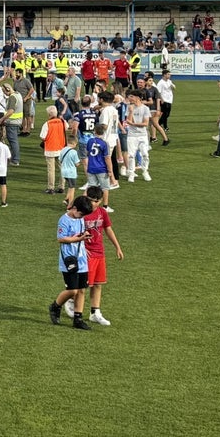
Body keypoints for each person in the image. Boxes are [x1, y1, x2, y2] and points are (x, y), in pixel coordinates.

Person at [77, 185, 124, 327]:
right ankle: (72, 302)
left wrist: (117, 247)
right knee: (85, 285)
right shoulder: (82, 214)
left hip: (99, 252)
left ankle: (95, 312)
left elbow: (108, 229)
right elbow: (74, 233)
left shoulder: (102, 212)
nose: (94, 204)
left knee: (98, 284)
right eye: (92, 200)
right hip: (87, 253)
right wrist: (82, 249)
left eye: (97, 201)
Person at [48, 195, 94, 330]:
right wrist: (77, 239)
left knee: (81, 290)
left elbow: (79, 233)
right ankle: (55, 306)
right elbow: (61, 239)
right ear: (74, 208)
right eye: (80, 214)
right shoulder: (64, 220)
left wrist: (84, 236)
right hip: (69, 260)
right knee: (72, 290)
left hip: (81, 259)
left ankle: (78, 318)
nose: (81, 217)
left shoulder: (80, 218)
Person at [39, 105, 67, 195]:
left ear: (49, 114)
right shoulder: (62, 122)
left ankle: (51, 188)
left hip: (50, 149)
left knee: (51, 170)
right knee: (62, 168)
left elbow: (42, 137)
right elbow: (67, 127)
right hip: (61, 148)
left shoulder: (47, 124)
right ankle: (61, 187)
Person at [60, 133, 82, 207]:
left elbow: (60, 160)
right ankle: (70, 205)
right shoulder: (74, 152)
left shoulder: (63, 149)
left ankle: (66, 199)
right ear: (73, 143)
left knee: (70, 186)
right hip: (71, 172)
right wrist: (80, 162)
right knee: (72, 188)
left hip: (64, 171)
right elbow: (76, 164)